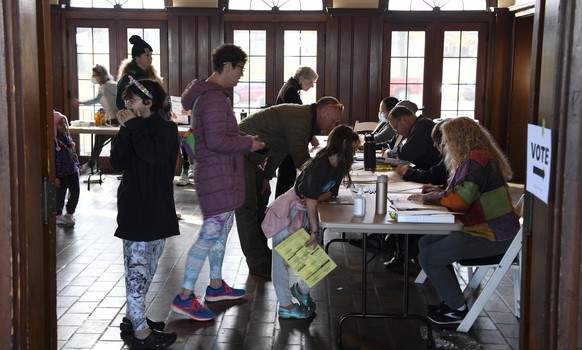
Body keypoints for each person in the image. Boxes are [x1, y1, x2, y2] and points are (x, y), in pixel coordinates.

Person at [171, 44, 266, 322]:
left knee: (221, 230)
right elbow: (215, 141)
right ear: (227, 66)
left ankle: (215, 287)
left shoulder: (213, 96)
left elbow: (217, 136)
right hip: (217, 176)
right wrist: (249, 142)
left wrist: (243, 138)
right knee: (210, 235)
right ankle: (185, 296)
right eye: (239, 69)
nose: (240, 75)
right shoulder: (213, 98)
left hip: (220, 175)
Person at [408, 116, 520, 325]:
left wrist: (430, 197)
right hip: (488, 229)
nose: (441, 146)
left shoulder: (475, 161)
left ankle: (457, 309)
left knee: (430, 256)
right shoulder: (478, 157)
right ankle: (453, 299)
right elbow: (464, 193)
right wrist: (440, 192)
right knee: (425, 243)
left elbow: (460, 202)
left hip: (491, 235)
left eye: (445, 141)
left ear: (457, 139)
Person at [236, 96, 344, 279]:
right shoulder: (300, 119)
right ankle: (257, 263)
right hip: (239, 155)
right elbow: (301, 159)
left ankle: (262, 255)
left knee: (259, 206)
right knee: (247, 210)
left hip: (253, 159)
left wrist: (266, 176)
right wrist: (328, 173)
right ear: (323, 111)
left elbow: (280, 150)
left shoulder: (304, 120)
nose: (333, 126)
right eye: (333, 120)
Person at [110, 77, 179, 349]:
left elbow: (153, 155)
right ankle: (139, 333)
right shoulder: (130, 128)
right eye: (126, 100)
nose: (127, 104)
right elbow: (116, 162)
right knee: (136, 272)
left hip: (158, 208)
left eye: (133, 100)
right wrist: (125, 130)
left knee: (148, 268)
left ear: (149, 102)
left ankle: (133, 319)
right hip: (134, 209)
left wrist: (133, 126)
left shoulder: (167, 129)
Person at [262, 125, 359, 319]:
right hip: (289, 211)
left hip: (305, 210)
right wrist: (315, 230)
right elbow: (313, 199)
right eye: (355, 147)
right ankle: (286, 306)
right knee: (281, 260)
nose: (356, 151)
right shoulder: (320, 164)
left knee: (317, 260)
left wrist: (314, 199)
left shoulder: (341, 163)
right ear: (345, 144)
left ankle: (301, 289)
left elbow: (330, 192)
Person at [384, 121, 449, 272]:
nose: (434, 146)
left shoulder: (464, 161)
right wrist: (439, 189)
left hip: (464, 220)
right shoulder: (456, 157)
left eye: (438, 143)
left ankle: (405, 257)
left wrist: (433, 194)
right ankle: (403, 255)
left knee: (408, 217)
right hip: (454, 207)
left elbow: (437, 176)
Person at [274, 66, 319, 198]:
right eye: (310, 82)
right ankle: (281, 210)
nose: (311, 86)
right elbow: (297, 121)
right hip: (286, 141)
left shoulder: (291, 88)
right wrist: (311, 137)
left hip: (286, 139)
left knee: (286, 176)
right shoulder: (290, 91)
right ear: (301, 79)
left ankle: (282, 208)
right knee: (286, 177)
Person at [72, 64, 119, 172]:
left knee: (102, 139)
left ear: (102, 75)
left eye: (96, 75)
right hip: (111, 119)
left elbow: (121, 94)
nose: (94, 77)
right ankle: (93, 163)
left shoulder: (110, 85)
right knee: (100, 139)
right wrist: (81, 102)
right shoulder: (102, 88)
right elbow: (96, 99)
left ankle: (92, 163)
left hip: (117, 119)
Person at [385, 100, 442, 170]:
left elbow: (407, 153)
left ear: (404, 120)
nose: (396, 132)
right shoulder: (417, 125)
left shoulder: (422, 125)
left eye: (396, 127)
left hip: (431, 175)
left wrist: (389, 153)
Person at [116, 35, 164, 111]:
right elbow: (120, 103)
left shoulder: (152, 77)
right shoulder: (128, 78)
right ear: (137, 57)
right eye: (147, 55)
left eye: (151, 55)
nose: (150, 57)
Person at [53, 110, 80, 227]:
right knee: (60, 194)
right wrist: (54, 176)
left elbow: (73, 152)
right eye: (60, 124)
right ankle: (58, 214)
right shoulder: (52, 141)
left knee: (75, 192)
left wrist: (77, 165)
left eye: (65, 123)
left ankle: (70, 213)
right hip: (61, 173)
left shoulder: (66, 137)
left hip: (72, 170)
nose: (64, 125)